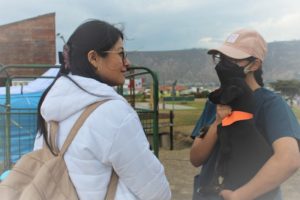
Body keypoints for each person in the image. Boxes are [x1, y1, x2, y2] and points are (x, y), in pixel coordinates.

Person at [34, 20, 171, 200]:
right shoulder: (113, 112)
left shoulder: (50, 108)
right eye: (121, 54)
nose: (127, 62)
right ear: (93, 58)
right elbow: (155, 192)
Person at [190, 29, 300, 200]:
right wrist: (217, 123)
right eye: (222, 58)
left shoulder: (271, 104)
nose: (224, 64)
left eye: (233, 59)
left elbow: (289, 159)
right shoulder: (215, 101)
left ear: (254, 64)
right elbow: (196, 158)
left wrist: (240, 195)